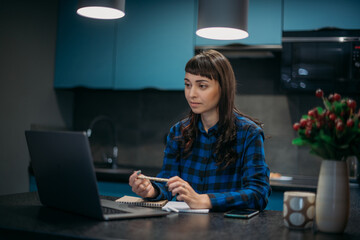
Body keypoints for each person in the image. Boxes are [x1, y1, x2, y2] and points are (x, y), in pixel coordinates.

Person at [129, 50, 271, 211]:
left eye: (202, 86)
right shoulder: (178, 132)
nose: (191, 94)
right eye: (187, 84)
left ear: (224, 88)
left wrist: (206, 200)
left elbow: (259, 194)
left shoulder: (249, 133)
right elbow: (167, 182)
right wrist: (151, 190)